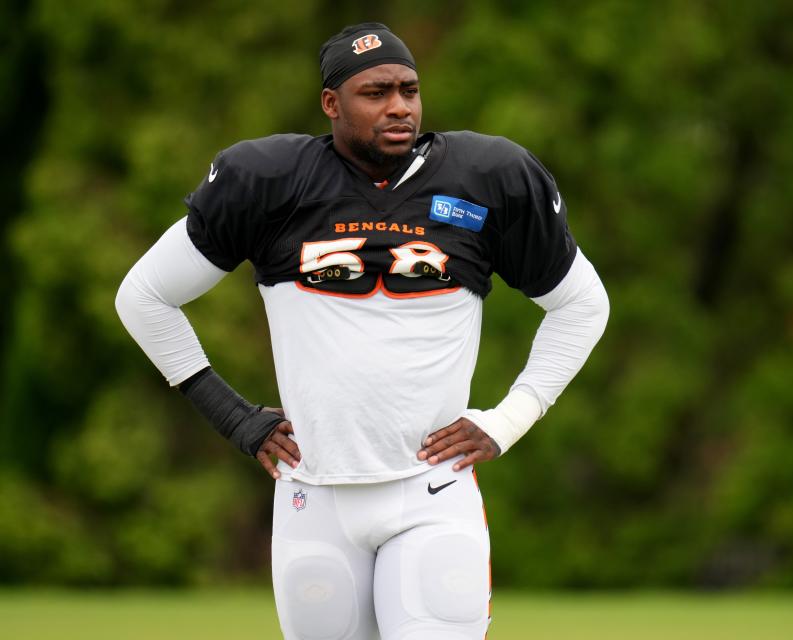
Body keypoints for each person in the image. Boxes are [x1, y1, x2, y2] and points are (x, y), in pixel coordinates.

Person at [116, 22, 608, 640]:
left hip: (429, 491)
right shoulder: (269, 179)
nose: (399, 106)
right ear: (331, 104)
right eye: (376, 93)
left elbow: (582, 304)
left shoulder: (488, 176)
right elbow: (144, 296)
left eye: (409, 89)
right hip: (310, 495)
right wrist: (233, 415)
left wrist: (511, 416)